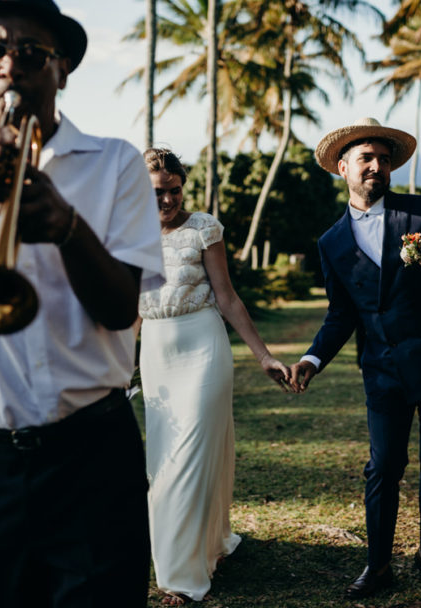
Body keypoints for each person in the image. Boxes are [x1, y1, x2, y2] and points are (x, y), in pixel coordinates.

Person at [0, 0, 165, 606]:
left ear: (62, 69)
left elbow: (121, 308)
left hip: (91, 457)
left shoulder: (115, 163)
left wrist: (68, 227)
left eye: (31, 51)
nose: (9, 63)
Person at [289, 117, 421, 599]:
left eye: (384, 158)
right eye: (366, 158)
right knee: (383, 466)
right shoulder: (330, 242)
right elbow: (341, 315)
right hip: (382, 368)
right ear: (343, 168)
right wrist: (312, 360)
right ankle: (378, 564)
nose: (377, 166)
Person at [139, 147, 292, 606]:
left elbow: (227, 298)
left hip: (203, 347)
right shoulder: (128, 234)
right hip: (156, 357)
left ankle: (183, 580)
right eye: (156, 193)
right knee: (162, 463)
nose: (166, 201)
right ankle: (207, 542)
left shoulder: (203, 228)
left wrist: (263, 355)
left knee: (191, 455)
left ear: (183, 187)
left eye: (173, 191)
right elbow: (129, 311)